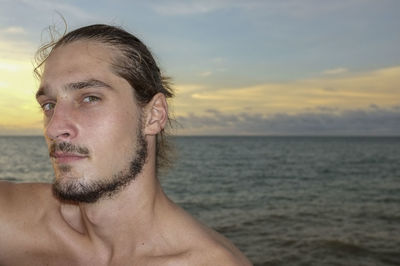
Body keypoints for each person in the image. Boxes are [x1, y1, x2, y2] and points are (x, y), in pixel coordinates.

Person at [0, 24, 252, 265]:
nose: (54, 128)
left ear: (154, 115)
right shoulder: (12, 223)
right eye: (49, 105)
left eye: (89, 98)